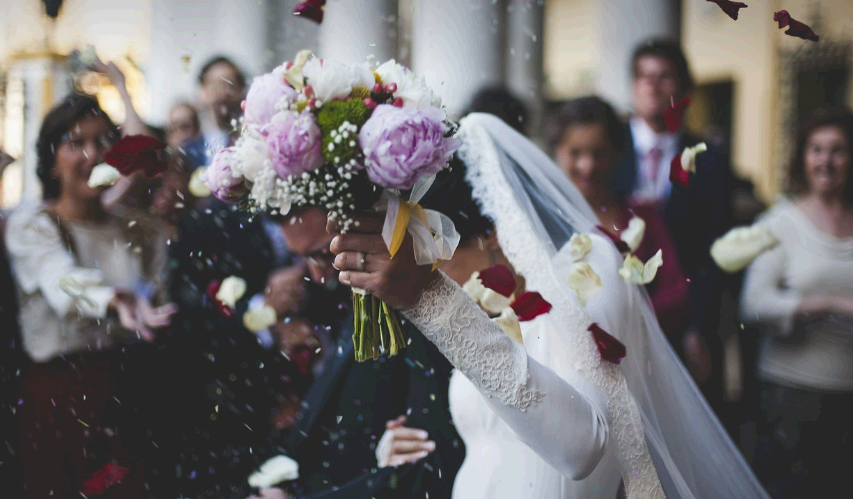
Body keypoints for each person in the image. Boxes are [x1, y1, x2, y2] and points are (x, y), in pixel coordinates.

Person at [330, 113, 770, 498]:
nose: (442, 283)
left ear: (492, 237)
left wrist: (432, 299)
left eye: (438, 265)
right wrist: (398, 450)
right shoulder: (492, 319)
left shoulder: (589, 268)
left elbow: (581, 447)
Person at [5, 93, 175, 497]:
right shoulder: (34, 225)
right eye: (76, 143)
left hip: (128, 385)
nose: (94, 154)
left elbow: (157, 290)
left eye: (103, 142)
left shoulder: (140, 228)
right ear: (51, 160)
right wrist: (114, 300)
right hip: (60, 393)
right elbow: (62, 281)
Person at [232, 206, 464, 499]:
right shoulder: (338, 295)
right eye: (301, 259)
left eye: (324, 254)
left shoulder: (419, 301)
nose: (315, 275)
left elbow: (433, 460)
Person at [609, 38, 735, 420]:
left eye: (664, 77)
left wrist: (697, 323)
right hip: (616, 311)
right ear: (633, 85)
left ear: (681, 87)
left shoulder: (708, 158)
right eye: (643, 76)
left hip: (686, 319)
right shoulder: (606, 150)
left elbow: (716, 246)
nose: (652, 85)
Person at [740, 107, 853, 499]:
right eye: (816, 149)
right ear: (802, 157)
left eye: (838, 150)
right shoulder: (777, 223)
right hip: (791, 397)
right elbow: (753, 305)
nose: (826, 160)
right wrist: (831, 304)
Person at [548, 95, 691, 335]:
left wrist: (626, 316)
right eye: (575, 153)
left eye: (598, 153)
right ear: (556, 152)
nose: (587, 165)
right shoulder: (543, 218)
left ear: (615, 153)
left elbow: (675, 290)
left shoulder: (644, 217)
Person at [183, 56, 247, 170]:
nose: (223, 93)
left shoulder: (248, 142)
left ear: (241, 91)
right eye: (214, 85)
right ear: (201, 91)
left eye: (229, 85)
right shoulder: (188, 150)